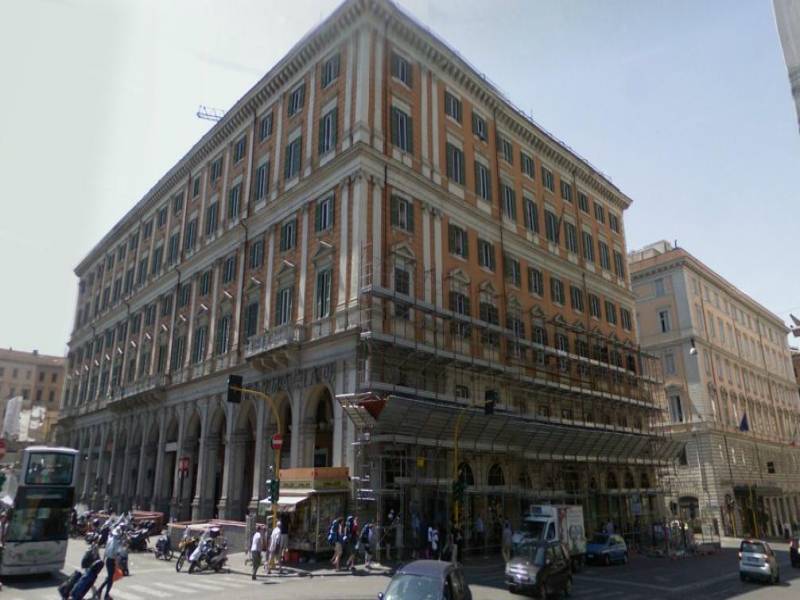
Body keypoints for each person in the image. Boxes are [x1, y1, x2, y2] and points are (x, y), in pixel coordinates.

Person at [97, 526, 121, 600]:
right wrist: (117, 564)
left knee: (109, 578)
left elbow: (105, 550)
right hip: (112, 561)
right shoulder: (116, 542)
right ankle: (106, 595)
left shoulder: (109, 539)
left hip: (108, 560)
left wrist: (103, 560)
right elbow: (116, 554)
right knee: (110, 580)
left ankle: (100, 590)